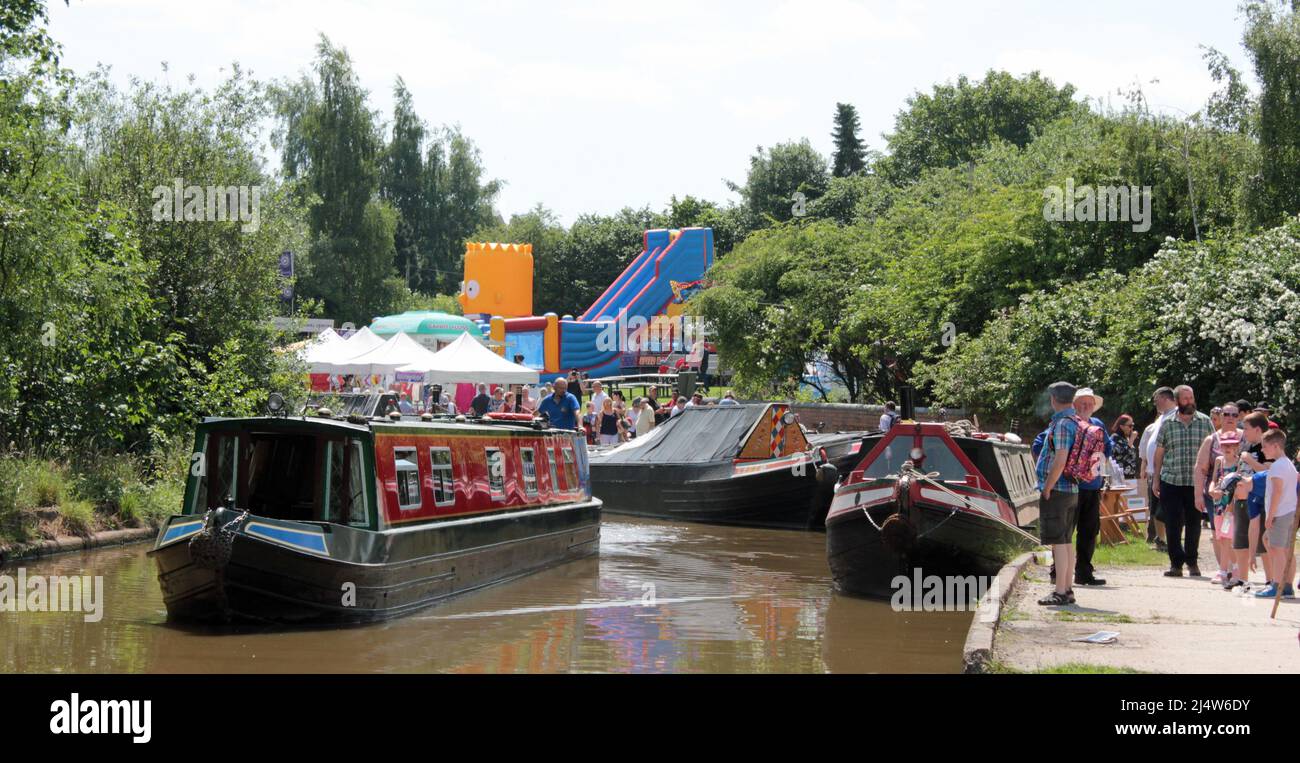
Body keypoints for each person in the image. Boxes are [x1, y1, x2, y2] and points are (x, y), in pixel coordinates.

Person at [1152, 385, 1215, 577]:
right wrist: (1156, 478)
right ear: (1178, 400)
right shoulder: (1168, 423)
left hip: (1196, 482)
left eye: (1191, 398)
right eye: (1185, 398)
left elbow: (1214, 449)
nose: (1189, 401)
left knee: (1194, 523)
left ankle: (1192, 562)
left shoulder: (1205, 422)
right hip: (1171, 479)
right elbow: (1160, 451)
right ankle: (1176, 564)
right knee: (1173, 523)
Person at [1035, 381, 1081, 606]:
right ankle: (1068, 589)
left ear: (1054, 398)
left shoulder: (1062, 424)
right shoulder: (1076, 421)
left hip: (1058, 489)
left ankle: (1060, 591)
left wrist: (1047, 486)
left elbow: (1060, 459)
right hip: (1072, 489)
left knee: (1058, 543)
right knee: (1066, 540)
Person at [1070, 387, 1112, 587]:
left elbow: (1108, 449)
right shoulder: (1066, 423)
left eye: (1089, 404)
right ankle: (1058, 572)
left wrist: (1095, 468)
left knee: (1089, 531)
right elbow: (1040, 445)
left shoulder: (1098, 425)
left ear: (1094, 407)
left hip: (1092, 486)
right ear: (1074, 405)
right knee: (1065, 531)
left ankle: (1084, 573)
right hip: (1069, 486)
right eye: (1082, 404)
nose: (1086, 407)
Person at [1255, 429, 1297, 599]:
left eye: (1265, 447)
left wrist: (1270, 516)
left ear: (1276, 445)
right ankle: (1286, 586)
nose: (1262, 450)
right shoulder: (1288, 464)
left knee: (1277, 549)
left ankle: (1277, 584)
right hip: (1289, 511)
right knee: (1282, 548)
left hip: (1281, 513)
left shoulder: (1278, 466)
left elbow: (1277, 493)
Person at [1139, 387, 1177, 549]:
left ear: (1165, 398)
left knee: (1166, 508)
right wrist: (1146, 465)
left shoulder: (1176, 416)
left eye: (1157, 400)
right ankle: (1160, 539)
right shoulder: (1161, 418)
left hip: (1167, 471)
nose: (1155, 403)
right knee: (1155, 508)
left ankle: (1168, 539)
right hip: (1155, 471)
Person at [1110, 414, 1139, 479]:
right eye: (1130, 426)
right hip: (1120, 477)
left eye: (1133, 425)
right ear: (1121, 426)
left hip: (1131, 476)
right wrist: (1131, 440)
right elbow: (1122, 455)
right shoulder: (1115, 437)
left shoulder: (1126, 438)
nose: (1132, 428)